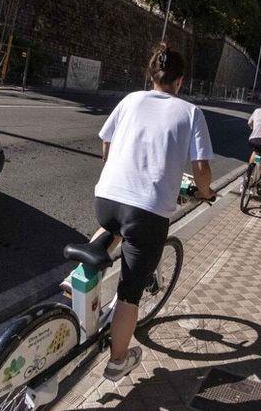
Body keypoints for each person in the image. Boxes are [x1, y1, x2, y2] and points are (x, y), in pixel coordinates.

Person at [93, 42, 216, 381]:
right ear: (180, 81)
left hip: (106, 198)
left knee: (112, 228)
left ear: (151, 75)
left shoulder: (131, 99)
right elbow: (201, 167)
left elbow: (107, 142)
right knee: (129, 293)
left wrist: (115, 171)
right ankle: (118, 361)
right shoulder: (191, 113)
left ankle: (75, 282)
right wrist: (206, 192)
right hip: (146, 214)